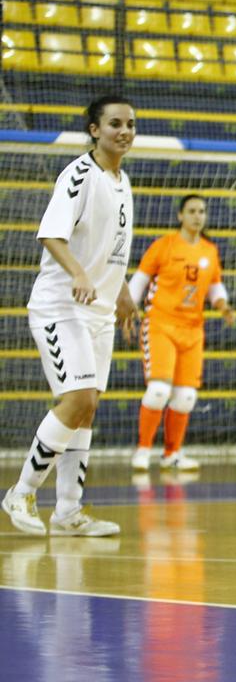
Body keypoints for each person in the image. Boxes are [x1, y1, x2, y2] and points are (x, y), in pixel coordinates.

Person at [2, 94, 139, 538]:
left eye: (130, 124)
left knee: (88, 409)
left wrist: (121, 293)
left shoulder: (123, 181)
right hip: (61, 307)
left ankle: (67, 512)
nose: (124, 131)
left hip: (99, 311)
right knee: (77, 400)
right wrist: (79, 274)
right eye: (115, 123)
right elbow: (52, 234)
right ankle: (21, 491)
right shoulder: (79, 175)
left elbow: (110, 250)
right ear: (94, 130)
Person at [128, 194, 236, 472]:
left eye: (202, 211)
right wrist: (127, 311)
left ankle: (171, 454)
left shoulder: (209, 251)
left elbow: (214, 285)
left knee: (186, 396)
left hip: (192, 330)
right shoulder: (163, 246)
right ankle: (142, 451)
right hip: (161, 324)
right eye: (192, 211)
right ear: (180, 216)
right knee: (159, 390)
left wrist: (223, 305)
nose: (197, 216)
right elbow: (139, 281)